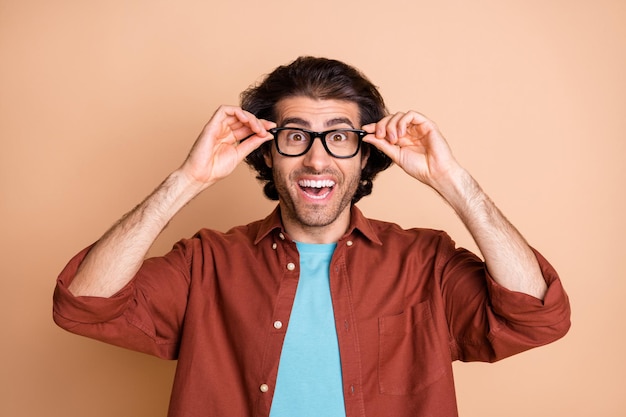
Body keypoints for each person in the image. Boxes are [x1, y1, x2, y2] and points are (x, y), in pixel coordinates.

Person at [53, 56, 571, 417]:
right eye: (295, 136)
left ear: (366, 154)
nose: (317, 159)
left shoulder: (425, 262)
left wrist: (452, 181)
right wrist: (188, 179)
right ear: (267, 151)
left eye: (340, 137)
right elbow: (84, 304)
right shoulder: (208, 262)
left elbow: (535, 316)